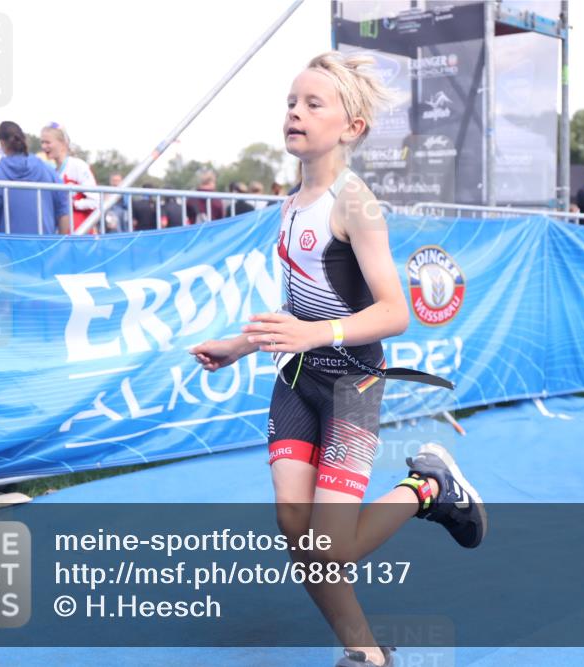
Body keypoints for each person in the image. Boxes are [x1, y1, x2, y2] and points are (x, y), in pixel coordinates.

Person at [190, 51, 486, 667]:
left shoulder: (358, 203)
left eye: (312, 103)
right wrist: (240, 344)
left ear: (351, 127)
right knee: (298, 529)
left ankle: (427, 487)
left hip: (352, 384)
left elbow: (393, 313)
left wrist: (315, 334)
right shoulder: (290, 203)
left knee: (329, 547)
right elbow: (295, 311)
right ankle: (368, 656)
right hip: (296, 383)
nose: (295, 112)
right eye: (291, 103)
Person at [0, 121, 70, 234]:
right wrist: (58, 246)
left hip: (7, 248)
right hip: (43, 248)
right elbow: (63, 212)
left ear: (2, 143)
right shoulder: (48, 170)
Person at [40, 124, 99, 233]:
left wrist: (72, 204)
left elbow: (95, 201)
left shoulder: (78, 166)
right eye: (42, 142)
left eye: (48, 142)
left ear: (62, 143)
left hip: (80, 235)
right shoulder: (50, 170)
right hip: (59, 234)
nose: (44, 146)